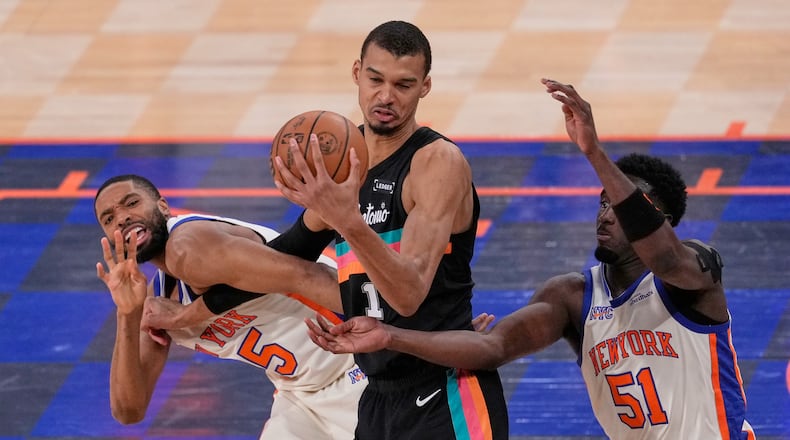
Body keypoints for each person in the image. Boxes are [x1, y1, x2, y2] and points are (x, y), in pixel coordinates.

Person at [304, 79, 756, 440]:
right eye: (602, 201)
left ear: (663, 220)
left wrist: (594, 154)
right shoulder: (572, 296)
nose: (606, 213)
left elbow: (666, 259)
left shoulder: (695, 272)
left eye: (619, 205)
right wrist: (390, 335)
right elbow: (491, 349)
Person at [272, 20, 509, 440]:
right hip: (377, 396)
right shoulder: (342, 165)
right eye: (375, 79)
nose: (386, 96)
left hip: (446, 391)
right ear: (356, 73)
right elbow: (286, 256)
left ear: (425, 87)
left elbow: (408, 295)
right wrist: (192, 301)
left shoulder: (436, 163)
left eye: (403, 85)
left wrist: (346, 219)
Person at [93, 174, 367, 440]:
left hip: (355, 364)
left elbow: (306, 275)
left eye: (132, 203)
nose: (122, 218)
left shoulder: (188, 246)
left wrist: (385, 328)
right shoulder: (158, 299)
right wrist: (127, 314)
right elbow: (129, 410)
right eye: (109, 219)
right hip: (300, 395)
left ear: (163, 206)